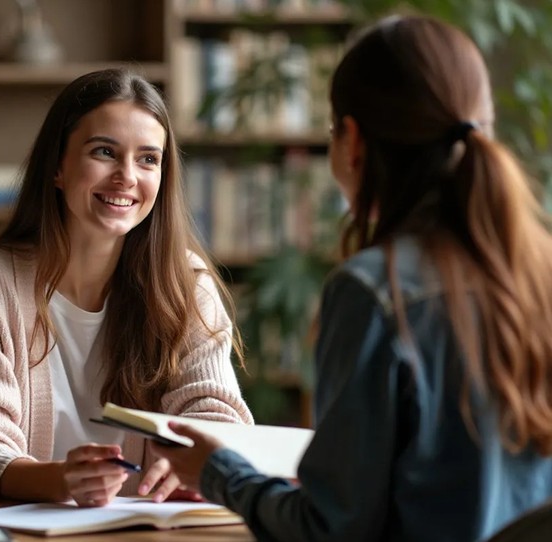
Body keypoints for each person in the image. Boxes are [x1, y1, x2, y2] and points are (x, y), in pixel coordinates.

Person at [153, 14, 552, 542]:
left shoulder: (371, 292)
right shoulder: (538, 274)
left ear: (353, 140)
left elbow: (330, 530)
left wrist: (219, 474)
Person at [0, 68, 253, 506]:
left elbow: (216, 415)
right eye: (105, 152)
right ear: (58, 167)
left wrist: (191, 464)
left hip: (128, 530)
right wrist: (58, 480)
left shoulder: (187, 285)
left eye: (148, 159)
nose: (127, 176)